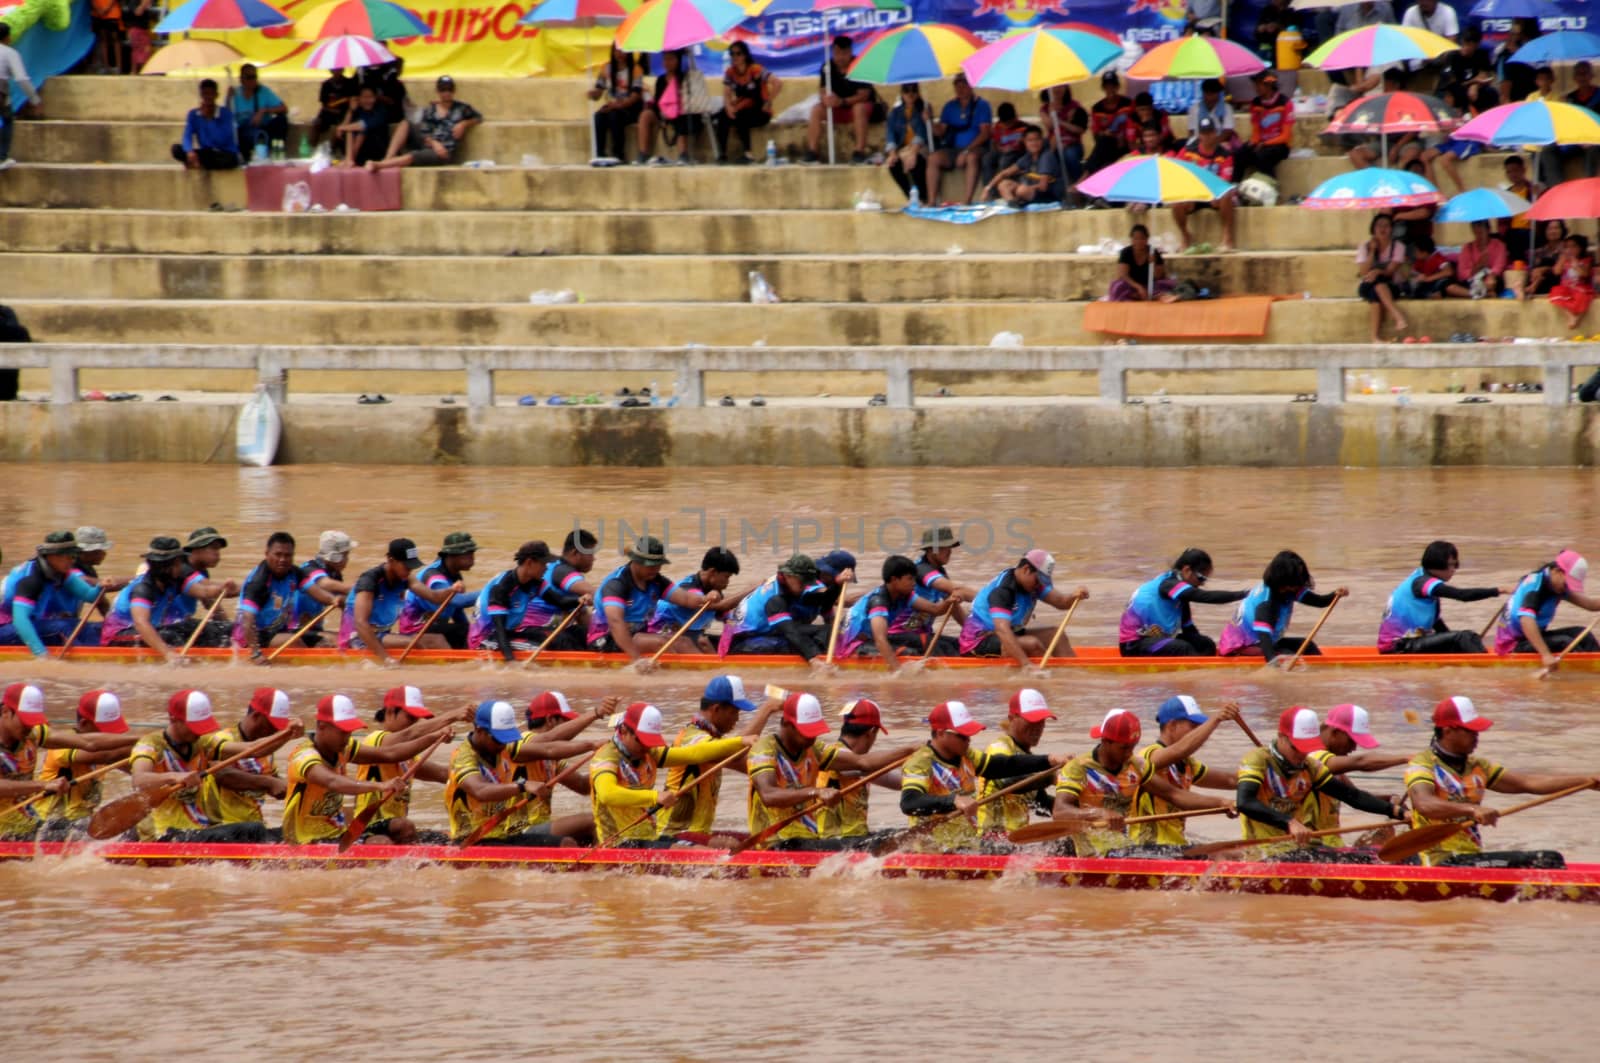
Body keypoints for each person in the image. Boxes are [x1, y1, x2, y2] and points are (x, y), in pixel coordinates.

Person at [1404, 696, 1599, 868]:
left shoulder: (1478, 766)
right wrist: (1472, 810)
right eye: (1471, 731)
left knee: (1549, 860)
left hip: (1468, 857)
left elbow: (1530, 783)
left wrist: (1587, 781)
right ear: (1448, 731)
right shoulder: (1422, 765)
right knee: (1546, 860)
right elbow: (1424, 804)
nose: (1477, 736)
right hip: (1438, 859)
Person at [747, 691, 914, 851]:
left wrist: (910, 750)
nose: (812, 738)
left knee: (895, 837)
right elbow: (768, 795)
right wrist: (816, 792)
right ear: (786, 724)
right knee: (887, 842)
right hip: (776, 842)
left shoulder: (815, 748)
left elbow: (863, 762)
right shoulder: (764, 749)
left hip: (806, 839)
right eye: (807, 732)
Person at [1233, 707, 1404, 858]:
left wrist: (1398, 812)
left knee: (1374, 856)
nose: (1302, 755)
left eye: (1307, 747)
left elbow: (1351, 796)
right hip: (1265, 852)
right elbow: (1245, 802)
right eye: (1297, 747)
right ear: (1281, 737)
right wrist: (1289, 822)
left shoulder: (1310, 766)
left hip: (1300, 848)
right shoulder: (1257, 759)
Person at [281, 694, 445, 845]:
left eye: (350, 732)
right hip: (305, 841)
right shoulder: (304, 756)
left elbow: (390, 754)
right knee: (381, 843)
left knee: (411, 834)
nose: (347, 738)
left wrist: (433, 737)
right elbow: (333, 781)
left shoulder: (343, 748)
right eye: (343, 732)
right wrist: (380, 786)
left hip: (336, 835)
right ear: (322, 727)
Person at [900, 700, 1064, 850]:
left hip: (966, 844)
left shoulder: (967, 756)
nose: (969, 740)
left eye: (969, 734)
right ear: (941, 733)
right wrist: (953, 800)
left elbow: (1002, 765)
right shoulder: (920, 762)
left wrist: (1048, 760)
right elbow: (909, 802)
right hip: (933, 849)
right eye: (963, 735)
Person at [589, 701, 754, 847]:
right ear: (624, 731)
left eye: (650, 742)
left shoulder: (649, 753)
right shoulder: (606, 758)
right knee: (695, 856)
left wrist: (740, 742)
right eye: (642, 741)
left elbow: (694, 753)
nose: (647, 748)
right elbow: (607, 794)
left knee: (701, 851)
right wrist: (655, 797)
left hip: (648, 837)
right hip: (619, 843)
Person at [444, 699, 596, 846]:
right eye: (498, 739)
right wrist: (522, 786)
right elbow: (480, 791)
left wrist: (592, 745)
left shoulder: (504, 748)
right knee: (565, 845)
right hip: (472, 841)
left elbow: (548, 749)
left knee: (570, 842)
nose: (503, 745)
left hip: (502, 836)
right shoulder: (462, 757)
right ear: (479, 731)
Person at [128, 690, 272, 843]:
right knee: (253, 829)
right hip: (164, 834)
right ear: (173, 719)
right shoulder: (149, 745)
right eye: (194, 726)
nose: (199, 732)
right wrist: (174, 776)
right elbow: (138, 779)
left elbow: (252, 749)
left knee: (260, 831)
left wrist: (287, 733)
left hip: (196, 831)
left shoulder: (202, 743)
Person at [3, 685, 137, 840]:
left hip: (32, 824)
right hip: (44, 824)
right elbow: (104, 754)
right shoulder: (62, 750)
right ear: (6, 711)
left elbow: (91, 744)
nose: (30, 728)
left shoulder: (34, 734)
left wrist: (148, 748)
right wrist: (42, 785)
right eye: (26, 722)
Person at [657, 677, 776, 838]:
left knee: (758, 839)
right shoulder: (692, 738)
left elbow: (746, 764)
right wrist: (766, 710)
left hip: (698, 833)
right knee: (733, 846)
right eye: (734, 712)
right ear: (716, 709)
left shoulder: (714, 739)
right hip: (674, 833)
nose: (737, 719)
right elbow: (732, 754)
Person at [352, 686, 462, 844]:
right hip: (368, 827)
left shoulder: (409, 758)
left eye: (417, 720)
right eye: (411, 718)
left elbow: (444, 774)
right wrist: (452, 716)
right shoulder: (375, 740)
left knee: (444, 840)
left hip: (395, 828)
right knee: (404, 826)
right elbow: (411, 734)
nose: (414, 724)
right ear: (390, 712)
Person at [501, 690, 612, 844]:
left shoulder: (552, 759)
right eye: (566, 721)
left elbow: (582, 786)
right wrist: (595, 714)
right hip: (517, 829)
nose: (571, 728)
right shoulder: (522, 741)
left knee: (595, 826)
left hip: (538, 827)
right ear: (551, 720)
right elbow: (548, 742)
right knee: (593, 821)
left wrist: (612, 766)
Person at [1130, 696, 1240, 849]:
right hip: (1149, 846)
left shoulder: (1188, 764)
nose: (1200, 733)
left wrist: (1265, 773)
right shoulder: (1149, 756)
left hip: (1175, 846)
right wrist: (1216, 719)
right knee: (1227, 855)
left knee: (1234, 851)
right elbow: (1180, 749)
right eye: (1193, 726)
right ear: (1172, 725)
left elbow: (1232, 781)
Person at [198, 687, 306, 834]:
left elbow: (276, 785)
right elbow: (222, 773)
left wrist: (297, 788)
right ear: (256, 716)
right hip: (222, 828)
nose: (275, 732)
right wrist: (268, 783)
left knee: (295, 832)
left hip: (254, 828)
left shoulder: (268, 750)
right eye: (272, 726)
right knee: (255, 828)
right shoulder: (223, 739)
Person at [339, 537, 460, 664]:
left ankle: (452, 671)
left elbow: (434, 597)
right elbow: (360, 623)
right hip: (358, 638)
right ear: (391, 560)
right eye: (406, 566)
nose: (410, 570)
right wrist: (385, 659)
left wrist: (451, 590)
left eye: (411, 566)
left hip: (381, 635)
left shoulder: (405, 578)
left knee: (438, 640)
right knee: (412, 643)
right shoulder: (369, 581)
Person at [959, 549, 1090, 666]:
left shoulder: (1033, 583)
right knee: (1032, 644)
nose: (1039, 585)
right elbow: (1002, 630)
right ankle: (1045, 679)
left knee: (1055, 634)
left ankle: (1073, 672)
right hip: (978, 641)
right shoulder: (1004, 590)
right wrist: (1026, 665)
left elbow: (1061, 602)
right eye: (1038, 580)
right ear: (1026, 569)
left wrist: (1074, 596)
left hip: (1007, 633)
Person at [586, 535, 702, 667]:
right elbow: (615, 622)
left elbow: (686, 599)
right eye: (651, 566)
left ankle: (704, 674)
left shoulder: (656, 580)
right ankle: (676, 679)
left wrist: (706, 599)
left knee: (683, 642)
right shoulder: (617, 584)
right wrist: (637, 660)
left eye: (658, 565)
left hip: (638, 635)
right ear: (636, 561)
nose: (656, 570)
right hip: (606, 639)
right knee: (660, 643)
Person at [1303, 703, 1410, 847]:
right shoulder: (1313, 758)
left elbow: (1355, 797)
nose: (1353, 748)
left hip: (1332, 845)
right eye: (1351, 740)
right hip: (1313, 847)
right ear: (1335, 733)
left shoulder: (1332, 766)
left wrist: (1390, 802)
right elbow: (1361, 762)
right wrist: (1406, 758)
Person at [1378, 540, 1510, 654]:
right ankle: (1486, 665)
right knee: (1465, 637)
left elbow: (1439, 626)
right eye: (1451, 564)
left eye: (1455, 564)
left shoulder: (1422, 582)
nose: (1454, 569)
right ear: (1438, 563)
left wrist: (1455, 643)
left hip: (1405, 644)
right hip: (1398, 646)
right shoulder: (1422, 582)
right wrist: (1499, 590)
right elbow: (1462, 595)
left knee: (1462, 640)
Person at [100, 537, 221, 660]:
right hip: (118, 635)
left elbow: (204, 592)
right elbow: (141, 624)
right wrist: (167, 653)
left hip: (149, 629)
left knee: (197, 626)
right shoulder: (143, 589)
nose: (182, 567)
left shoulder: (175, 580)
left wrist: (225, 588)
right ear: (165, 566)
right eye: (178, 564)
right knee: (168, 636)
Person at [1217, 550, 1348, 663]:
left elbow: (1320, 602)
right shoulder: (1267, 604)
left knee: (1306, 645)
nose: (1301, 582)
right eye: (1297, 579)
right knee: (1286, 656)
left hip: (1261, 642)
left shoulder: (1289, 590)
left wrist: (1335, 595)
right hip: (1240, 648)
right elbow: (1266, 642)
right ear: (1284, 582)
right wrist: (1275, 667)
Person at [1119, 547, 1248, 657]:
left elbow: (1189, 630)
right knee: (1183, 648)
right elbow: (1204, 596)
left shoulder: (1180, 596)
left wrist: (1203, 645)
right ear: (1186, 570)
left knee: (1206, 645)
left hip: (1156, 640)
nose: (1202, 583)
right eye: (1201, 578)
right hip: (1133, 644)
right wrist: (1243, 594)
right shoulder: (1168, 584)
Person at [835, 554, 955, 667]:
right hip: (852, 646)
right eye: (909, 579)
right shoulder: (879, 601)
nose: (914, 584)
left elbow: (936, 610)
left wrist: (950, 600)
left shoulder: (905, 595)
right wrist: (898, 673)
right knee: (910, 653)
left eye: (914, 579)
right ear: (894, 580)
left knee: (920, 646)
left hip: (870, 640)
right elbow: (880, 640)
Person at [0, 530, 105, 657]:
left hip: (29, 623)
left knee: (89, 627)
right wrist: (41, 654)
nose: (72, 561)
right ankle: (91, 659)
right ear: (52, 556)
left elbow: (90, 596)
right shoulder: (32, 580)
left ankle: (100, 653)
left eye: (73, 557)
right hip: (6, 627)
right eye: (68, 557)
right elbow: (21, 621)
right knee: (62, 628)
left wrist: (101, 586)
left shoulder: (60, 573)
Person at [470, 540, 578, 660]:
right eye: (544, 564)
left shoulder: (534, 583)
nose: (546, 568)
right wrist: (511, 663)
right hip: (486, 638)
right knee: (542, 650)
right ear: (530, 562)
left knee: (559, 637)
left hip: (511, 632)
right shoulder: (503, 588)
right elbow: (500, 632)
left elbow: (561, 601)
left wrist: (581, 600)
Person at [815, 698, 901, 846]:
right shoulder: (839, 757)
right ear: (872, 732)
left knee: (905, 836)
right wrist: (909, 751)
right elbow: (864, 766)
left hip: (855, 839)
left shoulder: (860, 765)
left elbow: (900, 782)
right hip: (835, 842)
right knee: (905, 840)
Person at [1494, 551, 1600, 665]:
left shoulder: (1555, 585)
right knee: (1565, 642)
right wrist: (1546, 655)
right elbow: (1526, 620)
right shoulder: (1535, 587)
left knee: (1583, 634)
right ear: (1557, 571)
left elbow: (1590, 605)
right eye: (1566, 584)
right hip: (1513, 645)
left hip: (1532, 637)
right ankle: (1585, 672)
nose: (1566, 588)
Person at [975, 689, 1058, 834]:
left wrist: (1081, 810)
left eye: (1042, 721)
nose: (1038, 727)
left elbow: (1041, 803)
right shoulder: (1000, 748)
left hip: (1016, 840)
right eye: (1032, 720)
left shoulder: (1026, 757)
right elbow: (1008, 782)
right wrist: (1053, 778)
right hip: (992, 839)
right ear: (1012, 718)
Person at [718, 554, 829, 660]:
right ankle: (819, 657)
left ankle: (822, 652)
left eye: (808, 582)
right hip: (743, 642)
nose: (806, 586)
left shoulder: (788, 582)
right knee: (796, 644)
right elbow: (790, 632)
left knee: (827, 630)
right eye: (803, 582)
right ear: (788, 576)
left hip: (765, 631)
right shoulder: (775, 599)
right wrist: (813, 659)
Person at [369, 75, 481, 171]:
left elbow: (478, 117)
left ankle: (381, 165)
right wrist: (434, 143)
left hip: (443, 151)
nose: (446, 93)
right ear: (438, 91)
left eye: (449, 90)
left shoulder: (462, 108)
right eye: (443, 90)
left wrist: (464, 124)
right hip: (430, 143)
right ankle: (388, 157)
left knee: (414, 156)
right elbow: (424, 131)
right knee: (405, 123)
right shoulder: (431, 109)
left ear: (453, 91)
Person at [649, 546, 743, 655]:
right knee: (702, 642)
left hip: (690, 635)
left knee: (734, 643)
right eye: (726, 577)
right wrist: (751, 589)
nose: (727, 582)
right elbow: (721, 606)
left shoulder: (715, 592)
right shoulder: (688, 587)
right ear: (713, 572)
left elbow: (729, 620)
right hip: (661, 635)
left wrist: (728, 644)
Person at [804, 36, 883, 165]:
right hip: (838, 108)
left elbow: (864, 95)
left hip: (860, 108)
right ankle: (812, 152)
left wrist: (843, 102)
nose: (840, 57)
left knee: (859, 108)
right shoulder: (827, 67)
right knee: (816, 109)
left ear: (850, 52)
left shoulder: (859, 65)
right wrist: (826, 99)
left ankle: (859, 152)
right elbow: (823, 90)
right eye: (837, 53)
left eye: (844, 53)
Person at [396, 531, 478, 650]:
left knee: (468, 631)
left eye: (473, 553)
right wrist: (489, 591)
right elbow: (458, 601)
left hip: (435, 626)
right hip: (416, 629)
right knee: (464, 631)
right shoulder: (433, 576)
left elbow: (456, 611)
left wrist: (470, 632)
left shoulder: (455, 575)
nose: (472, 558)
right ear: (451, 556)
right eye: (468, 553)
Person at [231, 531, 301, 659]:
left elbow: (317, 590)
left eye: (287, 555)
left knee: (325, 640)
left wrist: (334, 599)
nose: (283, 560)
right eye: (278, 555)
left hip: (275, 630)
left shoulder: (293, 573)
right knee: (295, 641)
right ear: (267, 554)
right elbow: (247, 619)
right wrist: (256, 654)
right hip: (251, 637)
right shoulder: (259, 582)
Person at [1171, 118, 1237, 251]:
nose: (1207, 136)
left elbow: (1224, 180)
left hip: (1215, 195)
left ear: (1215, 133)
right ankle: (1185, 236)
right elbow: (1177, 173)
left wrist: (1213, 193)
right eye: (1204, 133)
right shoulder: (1187, 152)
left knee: (1226, 194)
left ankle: (1227, 236)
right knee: (1176, 201)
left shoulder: (1225, 155)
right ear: (1199, 134)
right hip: (1193, 194)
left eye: (1210, 133)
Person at [926, 73, 992, 205]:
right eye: (957, 86)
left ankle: (967, 200)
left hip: (975, 148)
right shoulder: (949, 106)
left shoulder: (982, 105)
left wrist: (967, 150)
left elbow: (985, 133)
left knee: (971, 158)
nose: (960, 89)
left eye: (964, 85)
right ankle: (932, 201)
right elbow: (940, 132)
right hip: (953, 148)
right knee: (933, 158)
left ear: (971, 86)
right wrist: (930, 120)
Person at [1421, 82, 1497, 195]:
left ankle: (1462, 190)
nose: (1446, 98)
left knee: (1445, 160)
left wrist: (1448, 130)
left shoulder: (1468, 111)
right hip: (1453, 141)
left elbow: (1468, 129)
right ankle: (1435, 192)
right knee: (1424, 156)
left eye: (1449, 96)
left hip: (1468, 141)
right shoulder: (1446, 112)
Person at [713, 41, 778, 163]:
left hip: (760, 110)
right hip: (742, 106)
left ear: (745, 55)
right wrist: (728, 107)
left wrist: (769, 101)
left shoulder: (755, 70)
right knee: (723, 116)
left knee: (741, 117)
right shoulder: (730, 72)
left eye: (738, 54)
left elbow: (777, 83)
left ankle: (748, 154)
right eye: (732, 54)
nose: (735, 57)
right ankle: (722, 154)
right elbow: (726, 92)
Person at [292, 530, 356, 647]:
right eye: (346, 555)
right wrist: (361, 587)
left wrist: (350, 633)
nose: (347, 559)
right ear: (335, 556)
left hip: (314, 629)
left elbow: (347, 604)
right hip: (296, 631)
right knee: (343, 643)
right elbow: (324, 584)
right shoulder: (308, 569)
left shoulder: (335, 574)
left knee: (350, 640)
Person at [1541, 61, 1600, 185]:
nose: (1582, 77)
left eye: (1585, 74)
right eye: (1579, 74)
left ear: (1591, 76)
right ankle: (1555, 186)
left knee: (1593, 149)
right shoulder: (1570, 98)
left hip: (1595, 138)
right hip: (1575, 139)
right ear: (1574, 78)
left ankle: (1589, 183)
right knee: (1548, 149)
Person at [638, 50, 702, 166]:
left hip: (680, 111)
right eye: (665, 59)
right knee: (645, 115)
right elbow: (658, 102)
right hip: (663, 113)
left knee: (681, 117)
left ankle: (683, 154)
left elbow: (689, 100)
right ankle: (643, 154)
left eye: (671, 59)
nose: (667, 62)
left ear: (678, 61)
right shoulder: (660, 80)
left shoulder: (684, 78)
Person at [1356, 213, 1409, 343]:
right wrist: (1372, 251)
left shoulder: (1398, 247)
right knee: (1375, 284)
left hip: (1391, 286)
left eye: (1386, 226)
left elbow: (1390, 272)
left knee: (1377, 290)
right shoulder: (1364, 246)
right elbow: (1363, 272)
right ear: (1373, 228)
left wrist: (1378, 271)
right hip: (1367, 284)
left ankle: (1375, 337)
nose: (1382, 229)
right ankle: (1397, 316)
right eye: (1379, 226)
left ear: (1392, 229)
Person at [912, 525, 974, 634]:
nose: (949, 551)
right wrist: (990, 600)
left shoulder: (940, 573)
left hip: (924, 633)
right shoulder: (921, 569)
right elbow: (958, 589)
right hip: (905, 634)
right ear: (931, 550)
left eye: (950, 547)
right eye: (944, 547)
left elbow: (954, 607)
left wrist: (973, 631)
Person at [590, 45, 645, 163]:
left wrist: (617, 106)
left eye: (622, 51)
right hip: (612, 107)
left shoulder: (636, 70)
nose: (619, 54)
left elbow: (635, 97)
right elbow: (599, 91)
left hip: (629, 108)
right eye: (617, 51)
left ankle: (618, 153)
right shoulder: (606, 68)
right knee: (598, 117)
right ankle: (600, 153)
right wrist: (593, 94)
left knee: (615, 116)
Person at [170, 79, 239, 171]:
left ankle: (197, 164)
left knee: (225, 159)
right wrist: (189, 151)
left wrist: (209, 119)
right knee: (176, 149)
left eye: (210, 94)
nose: (208, 97)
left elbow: (222, 140)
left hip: (223, 152)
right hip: (206, 151)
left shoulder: (225, 113)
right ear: (201, 95)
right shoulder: (194, 114)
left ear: (216, 95)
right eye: (205, 94)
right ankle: (196, 162)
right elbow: (187, 135)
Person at [985, 125, 1061, 209]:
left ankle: (1016, 201)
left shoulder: (1046, 156)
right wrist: (988, 188)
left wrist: (1020, 189)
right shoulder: (1027, 157)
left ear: (1042, 140)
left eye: (1037, 139)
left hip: (1049, 195)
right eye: (1030, 140)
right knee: (1003, 184)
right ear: (1024, 142)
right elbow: (1004, 173)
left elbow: (1043, 187)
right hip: (1030, 193)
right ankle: (1013, 204)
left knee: (1021, 190)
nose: (1034, 143)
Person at [1235, 72, 1292, 183]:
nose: (1256, 88)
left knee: (1262, 156)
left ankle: (1271, 187)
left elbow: (1285, 136)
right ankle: (1234, 187)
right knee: (1240, 154)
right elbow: (1256, 132)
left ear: (1269, 85)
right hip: (1262, 143)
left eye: (1259, 84)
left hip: (1280, 145)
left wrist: (1265, 144)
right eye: (1255, 84)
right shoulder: (1255, 103)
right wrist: (1253, 143)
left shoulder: (1285, 103)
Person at [0, 24, 41, 170]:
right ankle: (2, 157)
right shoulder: (10, 53)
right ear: (7, 37)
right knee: (7, 120)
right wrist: (34, 99)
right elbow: (21, 79)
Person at [228, 64, 288, 161]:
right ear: (241, 79)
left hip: (263, 126)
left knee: (281, 120)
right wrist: (228, 98)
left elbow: (284, 108)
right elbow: (227, 114)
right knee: (251, 134)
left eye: (254, 77)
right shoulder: (235, 94)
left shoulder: (264, 91)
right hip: (243, 130)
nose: (252, 81)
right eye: (249, 77)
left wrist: (263, 110)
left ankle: (275, 151)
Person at [883, 82, 931, 203]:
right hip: (903, 147)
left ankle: (923, 196)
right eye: (906, 91)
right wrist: (892, 153)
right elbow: (890, 134)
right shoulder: (895, 112)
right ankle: (910, 196)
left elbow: (921, 132)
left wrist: (913, 152)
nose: (910, 94)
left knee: (916, 162)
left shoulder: (924, 108)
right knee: (893, 164)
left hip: (921, 146)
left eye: (913, 91)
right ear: (902, 93)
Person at [1107, 224, 1178, 303]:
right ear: (1132, 239)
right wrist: (1139, 287)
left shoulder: (1153, 252)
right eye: (1136, 239)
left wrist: (1153, 263)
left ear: (1147, 239)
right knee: (1118, 286)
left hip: (1149, 284)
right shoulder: (1126, 252)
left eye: (1142, 238)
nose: (1139, 241)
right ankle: (1141, 295)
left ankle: (1150, 295)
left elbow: (1159, 276)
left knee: (1166, 284)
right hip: (1132, 285)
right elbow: (1123, 275)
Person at [1084, 70, 1134, 176]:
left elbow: (1134, 123)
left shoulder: (1128, 103)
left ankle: (1085, 176)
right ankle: (1087, 176)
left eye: (1113, 86)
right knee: (1104, 142)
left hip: (1127, 144)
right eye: (1107, 86)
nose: (1110, 89)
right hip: (1108, 144)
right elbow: (1096, 134)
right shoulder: (1097, 108)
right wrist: (1105, 134)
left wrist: (1123, 137)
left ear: (1118, 87)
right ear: (1103, 88)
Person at [1445, 219, 1507, 299]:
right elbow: (1462, 273)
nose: (1479, 236)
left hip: (1489, 280)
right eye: (1476, 233)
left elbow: (1499, 266)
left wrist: (1491, 275)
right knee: (1450, 287)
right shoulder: (1467, 247)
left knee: (1492, 283)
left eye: (1481, 233)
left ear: (1488, 230)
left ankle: (1480, 293)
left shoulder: (1499, 245)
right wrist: (1479, 266)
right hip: (1472, 282)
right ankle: (1478, 294)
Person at [336, 84, 392, 169]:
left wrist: (341, 127)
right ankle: (349, 159)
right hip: (360, 153)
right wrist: (350, 111)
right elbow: (342, 130)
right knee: (349, 130)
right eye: (364, 97)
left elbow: (363, 125)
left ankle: (350, 159)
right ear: (359, 98)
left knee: (362, 130)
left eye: (370, 97)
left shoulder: (381, 111)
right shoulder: (358, 110)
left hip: (376, 148)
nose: (367, 101)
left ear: (375, 98)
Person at [1039, 85, 1088, 182]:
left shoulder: (1074, 106)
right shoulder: (1044, 109)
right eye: (1054, 87)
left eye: (1061, 86)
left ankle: (1078, 183)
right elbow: (1050, 127)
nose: (1058, 89)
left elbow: (1080, 129)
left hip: (1072, 144)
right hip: (1053, 142)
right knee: (1039, 147)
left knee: (1070, 154)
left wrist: (1061, 121)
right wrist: (1051, 112)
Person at [1548, 235, 1595, 331]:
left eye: (1574, 246)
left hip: (1580, 287)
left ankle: (1577, 318)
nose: (1570, 249)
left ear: (1581, 248)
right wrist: (1562, 260)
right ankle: (1570, 316)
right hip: (1566, 288)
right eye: (1567, 247)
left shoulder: (1586, 260)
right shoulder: (1564, 259)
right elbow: (1556, 271)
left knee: (1584, 297)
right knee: (1555, 292)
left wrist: (1576, 264)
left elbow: (1585, 274)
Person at [1496, 154, 1542, 248]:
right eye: (1509, 172)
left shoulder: (1533, 190)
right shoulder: (1506, 195)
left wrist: (1536, 198)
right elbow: (1502, 222)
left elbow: (1541, 213)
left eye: (1516, 170)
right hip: (1512, 233)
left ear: (1523, 170)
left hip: (1531, 232)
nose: (1513, 174)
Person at [980, 102, 1027, 190]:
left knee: (1004, 161)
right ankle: (990, 191)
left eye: (1010, 123)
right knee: (987, 159)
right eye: (1005, 124)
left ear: (1015, 117)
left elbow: (1026, 145)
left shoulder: (1024, 127)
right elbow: (995, 142)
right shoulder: (998, 127)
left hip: (1017, 153)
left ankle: (1004, 189)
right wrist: (1000, 148)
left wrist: (1016, 145)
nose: (1007, 126)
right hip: (1002, 151)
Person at [311, 66, 359, 151]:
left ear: (343, 70)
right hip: (328, 112)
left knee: (339, 127)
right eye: (335, 70)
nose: (337, 72)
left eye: (339, 70)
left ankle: (331, 150)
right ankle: (312, 148)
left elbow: (352, 101)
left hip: (344, 113)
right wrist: (332, 111)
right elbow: (324, 105)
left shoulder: (349, 83)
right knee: (316, 123)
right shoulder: (326, 85)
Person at [1495, 18, 1539, 104]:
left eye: (1519, 23)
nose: (1517, 26)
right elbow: (1497, 53)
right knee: (1505, 58)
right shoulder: (1510, 43)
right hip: (1513, 80)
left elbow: (1537, 65)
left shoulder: (1534, 43)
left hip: (1530, 77)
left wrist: (1518, 52)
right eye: (1515, 23)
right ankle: (1505, 98)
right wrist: (1509, 41)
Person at [1186, 79, 1235, 152]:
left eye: (1214, 92)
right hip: (1199, 144)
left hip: (1220, 144)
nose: (1211, 95)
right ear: (1204, 93)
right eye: (1208, 93)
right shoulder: (1194, 109)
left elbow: (1227, 131)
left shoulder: (1227, 108)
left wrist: (1213, 144)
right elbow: (1191, 131)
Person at [1526, 219, 1570, 298]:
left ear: (1562, 230)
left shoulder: (1566, 248)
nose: (1553, 231)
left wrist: (1544, 269)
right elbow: (1534, 270)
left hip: (1559, 280)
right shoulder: (1540, 251)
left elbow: (1558, 270)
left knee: (1547, 263)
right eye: (1550, 228)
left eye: (1556, 228)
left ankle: (1533, 287)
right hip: (1542, 281)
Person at [1402, 235, 1454, 300]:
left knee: (1444, 283)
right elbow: (1413, 273)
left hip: (1436, 283)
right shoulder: (1419, 260)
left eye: (1416, 251)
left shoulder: (1438, 257)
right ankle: (1429, 295)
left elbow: (1448, 272)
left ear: (1424, 253)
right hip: (1426, 286)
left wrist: (1428, 278)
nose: (1414, 253)